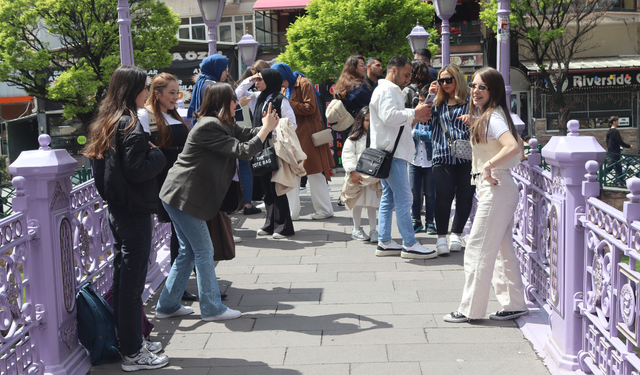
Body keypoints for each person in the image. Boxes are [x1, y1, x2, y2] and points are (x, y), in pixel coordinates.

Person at [156, 83, 279, 322]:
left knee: (188, 252)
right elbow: (243, 151)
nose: (237, 103)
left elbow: (247, 135)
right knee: (204, 251)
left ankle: (167, 305)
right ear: (222, 102)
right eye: (233, 99)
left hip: (180, 195)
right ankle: (212, 309)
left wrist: (267, 126)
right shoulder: (209, 126)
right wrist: (265, 130)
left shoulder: (222, 124)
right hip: (183, 196)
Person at [84, 66, 169, 371]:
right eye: (145, 87)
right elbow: (138, 169)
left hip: (117, 210)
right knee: (131, 286)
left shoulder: (107, 122)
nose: (148, 92)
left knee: (123, 283)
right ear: (134, 90)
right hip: (134, 212)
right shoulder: (130, 124)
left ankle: (129, 343)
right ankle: (133, 352)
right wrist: (158, 154)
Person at [444, 67, 528, 323]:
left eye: (483, 87)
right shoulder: (493, 116)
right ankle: (514, 304)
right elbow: (521, 149)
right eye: (474, 86)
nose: (476, 91)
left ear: (494, 91)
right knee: (502, 250)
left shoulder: (493, 118)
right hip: (498, 187)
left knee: (477, 248)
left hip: (496, 187)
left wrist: (490, 164)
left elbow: (514, 147)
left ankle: (470, 309)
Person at [137, 73, 197, 302]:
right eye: (171, 92)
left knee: (182, 234)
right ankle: (177, 288)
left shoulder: (173, 114)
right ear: (157, 93)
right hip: (165, 181)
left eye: (176, 92)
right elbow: (145, 149)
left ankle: (183, 285)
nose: (175, 97)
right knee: (179, 234)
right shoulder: (146, 115)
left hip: (184, 179)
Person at [370, 55, 437, 259]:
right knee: (404, 198)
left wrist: (414, 117)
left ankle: (385, 240)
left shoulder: (388, 90)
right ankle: (409, 243)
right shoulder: (387, 90)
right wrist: (413, 113)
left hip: (391, 152)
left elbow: (394, 121)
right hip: (393, 153)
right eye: (406, 74)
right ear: (394, 70)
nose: (408, 79)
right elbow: (390, 117)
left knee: (390, 198)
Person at [236, 68, 298, 238]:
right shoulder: (257, 98)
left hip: (274, 147)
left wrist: (272, 131)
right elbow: (238, 93)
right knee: (265, 188)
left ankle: (283, 227)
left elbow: (292, 124)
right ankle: (270, 224)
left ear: (270, 81)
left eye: (260, 79)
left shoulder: (281, 100)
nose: (256, 82)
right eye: (256, 80)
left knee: (276, 186)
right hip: (259, 147)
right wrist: (250, 78)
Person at [272, 62, 335, 221]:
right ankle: (293, 212)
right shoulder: (289, 85)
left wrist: (286, 104)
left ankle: (324, 209)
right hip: (294, 134)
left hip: (308, 134)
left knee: (314, 172)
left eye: (282, 80)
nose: (281, 84)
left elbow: (310, 107)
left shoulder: (303, 83)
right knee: (294, 172)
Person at [427, 64, 473, 256]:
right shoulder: (437, 103)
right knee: (443, 198)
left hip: (467, 156)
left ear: (457, 80)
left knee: (465, 196)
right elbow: (426, 122)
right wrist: (429, 98)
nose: (444, 84)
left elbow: (486, 119)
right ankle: (440, 238)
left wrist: (474, 118)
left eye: (448, 80)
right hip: (442, 155)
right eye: (441, 80)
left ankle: (456, 233)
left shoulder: (470, 101)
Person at [340, 106, 381, 242]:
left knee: (372, 203)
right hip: (357, 176)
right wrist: (352, 171)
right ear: (361, 121)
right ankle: (356, 228)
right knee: (356, 203)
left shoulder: (379, 137)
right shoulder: (354, 138)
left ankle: (374, 230)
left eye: (371, 119)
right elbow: (347, 154)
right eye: (366, 120)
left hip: (373, 177)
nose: (369, 122)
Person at [410, 86, 437, 235]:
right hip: (414, 160)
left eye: (425, 101)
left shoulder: (435, 115)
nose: (422, 104)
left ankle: (430, 222)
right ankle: (416, 220)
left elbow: (432, 136)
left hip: (430, 161)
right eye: (419, 101)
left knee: (430, 193)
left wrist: (416, 132)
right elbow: (407, 132)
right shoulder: (414, 114)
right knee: (414, 191)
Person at [334, 55, 373, 119]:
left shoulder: (343, 84)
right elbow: (370, 106)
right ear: (354, 68)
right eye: (361, 65)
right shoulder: (360, 87)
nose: (364, 67)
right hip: (360, 124)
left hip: (347, 123)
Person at [606, 115, 631, 186]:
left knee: (618, 168)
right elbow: (620, 142)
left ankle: (621, 183)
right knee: (610, 167)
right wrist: (629, 146)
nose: (618, 123)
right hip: (615, 153)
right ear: (614, 122)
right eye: (617, 121)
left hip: (611, 151)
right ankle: (599, 177)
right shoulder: (615, 131)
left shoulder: (608, 132)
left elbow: (608, 143)